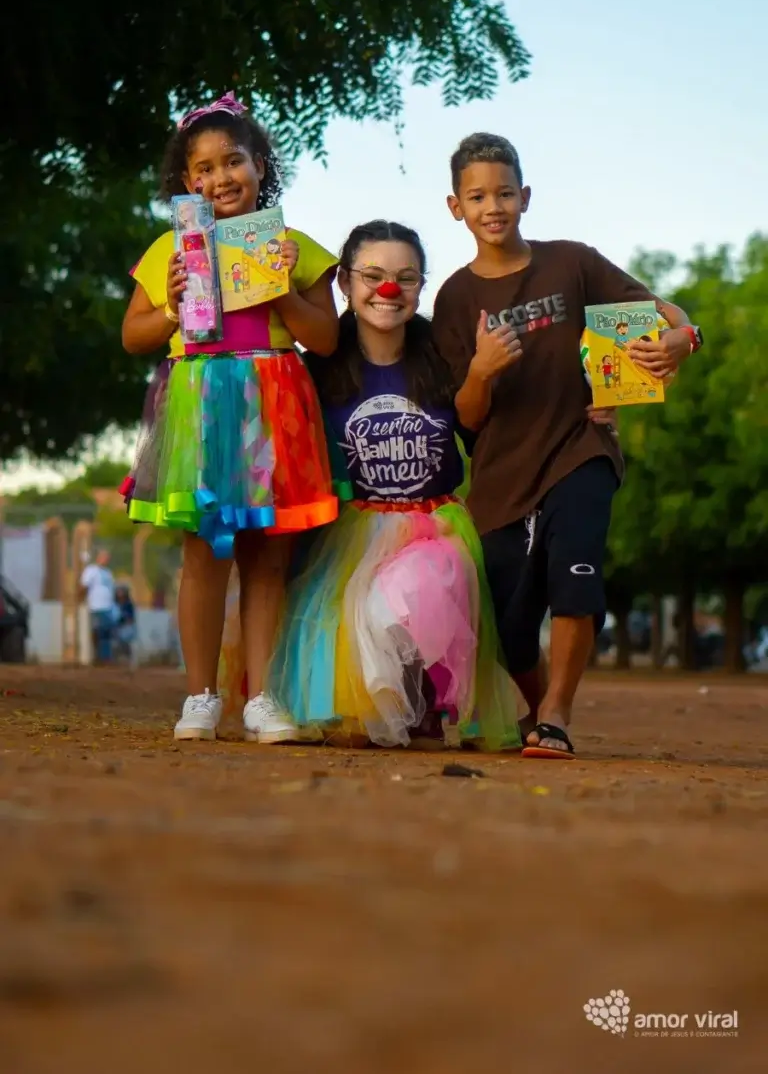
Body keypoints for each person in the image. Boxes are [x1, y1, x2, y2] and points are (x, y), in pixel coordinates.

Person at [431, 133, 703, 759]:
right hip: (501, 473)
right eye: (477, 196)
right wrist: (481, 368)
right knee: (507, 624)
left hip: (582, 448)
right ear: (456, 207)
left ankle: (556, 712)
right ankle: (534, 707)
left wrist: (685, 337)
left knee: (575, 575)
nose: (492, 205)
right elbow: (466, 421)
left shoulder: (572, 263)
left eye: (504, 192)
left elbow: (658, 310)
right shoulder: (455, 299)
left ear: (525, 197)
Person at [121, 93, 340, 743]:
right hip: (199, 405)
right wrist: (170, 307)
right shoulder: (171, 248)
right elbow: (132, 335)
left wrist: (284, 291)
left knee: (268, 557)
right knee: (204, 554)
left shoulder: (292, 246)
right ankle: (199, 695)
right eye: (206, 168)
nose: (221, 178)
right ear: (189, 182)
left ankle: (262, 698)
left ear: (260, 164)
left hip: (274, 399)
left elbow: (325, 337)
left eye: (234, 161)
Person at [263, 220, 520, 750]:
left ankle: (421, 698)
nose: (388, 290)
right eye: (372, 276)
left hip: (431, 527)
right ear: (345, 286)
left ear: (421, 286)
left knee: (409, 591)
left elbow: (488, 421)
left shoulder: (445, 360)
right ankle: (380, 705)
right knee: (340, 631)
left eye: (406, 278)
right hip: (347, 531)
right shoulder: (317, 368)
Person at [79, 550, 116, 664]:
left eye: (107, 558)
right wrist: (80, 599)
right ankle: (99, 656)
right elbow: (84, 586)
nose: (106, 560)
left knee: (106, 633)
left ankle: (104, 657)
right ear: (98, 558)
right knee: (98, 632)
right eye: (104, 557)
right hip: (96, 606)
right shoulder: (91, 570)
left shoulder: (108, 573)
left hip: (108, 606)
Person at [112, 585, 137, 663]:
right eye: (118, 592)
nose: (120, 594)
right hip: (116, 627)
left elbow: (131, 619)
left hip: (126, 627)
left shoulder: (129, 605)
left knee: (125, 637)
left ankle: (128, 658)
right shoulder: (114, 604)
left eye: (121, 592)